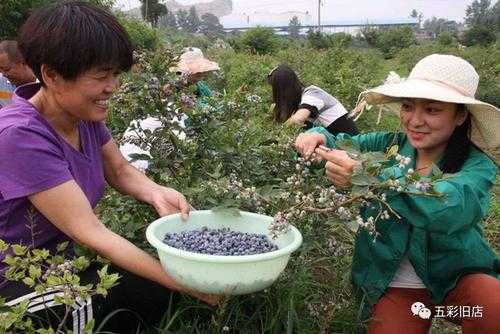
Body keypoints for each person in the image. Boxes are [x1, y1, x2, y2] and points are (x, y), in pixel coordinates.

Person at [0, 2, 215, 333]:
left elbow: (119, 171)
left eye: (115, 74)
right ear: (51, 75)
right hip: (14, 281)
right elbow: (90, 231)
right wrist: (185, 281)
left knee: (149, 294)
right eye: (101, 75)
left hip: (58, 265)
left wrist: (156, 192)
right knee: (132, 296)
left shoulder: (81, 114)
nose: (112, 86)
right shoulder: (20, 136)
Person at [294, 54, 500, 334]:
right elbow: (344, 143)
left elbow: (450, 205)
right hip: (397, 285)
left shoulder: (476, 166)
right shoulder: (387, 145)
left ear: (461, 116)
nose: (415, 121)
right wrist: (317, 137)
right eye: (408, 107)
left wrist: (374, 177)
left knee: (492, 307)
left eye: (432, 110)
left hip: (455, 279)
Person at [120, 47, 220, 172]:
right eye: (198, 73)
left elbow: (214, 107)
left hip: (188, 136)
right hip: (162, 136)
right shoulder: (168, 88)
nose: (201, 76)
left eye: (201, 73)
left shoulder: (201, 88)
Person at [267, 64, 358, 136]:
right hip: (335, 141)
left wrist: (278, 133)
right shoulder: (300, 100)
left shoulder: (312, 93)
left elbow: (298, 120)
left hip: (348, 143)